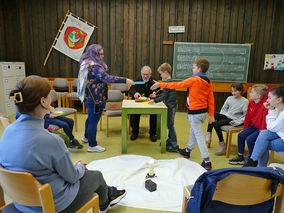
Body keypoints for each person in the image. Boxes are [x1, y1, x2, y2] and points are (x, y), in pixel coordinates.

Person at [0, 76, 126, 213]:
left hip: (21, 202)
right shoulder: (51, 140)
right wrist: (78, 167)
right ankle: (105, 202)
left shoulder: (7, 133)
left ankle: (109, 193)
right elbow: (72, 177)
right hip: (52, 205)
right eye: (49, 95)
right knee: (95, 175)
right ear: (43, 101)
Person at [151, 58, 215, 170]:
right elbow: (211, 99)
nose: (192, 69)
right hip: (203, 112)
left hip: (195, 113)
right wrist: (211, 114)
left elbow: (177, 85)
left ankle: (207, 161)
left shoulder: (194, 79)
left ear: (199, 68)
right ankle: (187, 150)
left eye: (194, 67)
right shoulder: (208, 81)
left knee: (199, 136)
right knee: (194, 131)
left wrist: (161, 84)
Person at [78, 44, 133, 152]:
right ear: (94, 54)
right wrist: (125, 80)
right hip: (95, 99)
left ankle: (86, 137)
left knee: (90, 118)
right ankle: (92, 145)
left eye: (103, 54)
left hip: (88, 96)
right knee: (94, 120)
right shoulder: (94, 66)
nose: (102, 56)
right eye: (100, 54)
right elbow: (106, 78)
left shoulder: (86, 63)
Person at [244, 85, 284, 167]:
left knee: (262, 144)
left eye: (269, 98)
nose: (267, 100)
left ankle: (256, 164)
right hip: (279, 133)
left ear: (279, 100)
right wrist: (272, 109)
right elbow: (271, 128)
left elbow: (271, 127)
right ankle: (253, 161)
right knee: (264, 134)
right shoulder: (278, 108)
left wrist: (270, 110)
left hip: (281, 136)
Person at [228, 84, 268, 165]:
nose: (249, 93)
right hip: (254, 126)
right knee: (241, 135)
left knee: (250, 139)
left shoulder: (265, 105)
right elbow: (247, 117)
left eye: (252, 92)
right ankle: (240, 157)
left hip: (262, 129)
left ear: (258, 96)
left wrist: (262, 133)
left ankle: (253, 159)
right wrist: (245, 128)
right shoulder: (251, 103)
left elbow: (264, 122)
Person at [205, 83, 249, 155]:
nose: (233, 93)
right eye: (232, 91)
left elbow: (245, 115)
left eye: (235, 91)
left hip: (234, 119)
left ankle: (222, 143)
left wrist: (237, 122)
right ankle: (208, 132)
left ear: (240, 91)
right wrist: (221, 116)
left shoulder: (245, 101)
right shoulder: (229, 98)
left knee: (216, 124)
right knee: (213, 114)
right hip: (226, 116)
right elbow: (223, 109)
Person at [149, 63, 178, 152]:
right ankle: (170, 140)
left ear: (166, 72)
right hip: (170, 105)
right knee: (169, 124)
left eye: (161, 74)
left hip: (171, 106)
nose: (160, 76)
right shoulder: (168, 82)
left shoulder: (168, 83)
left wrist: (154, 101)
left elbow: (164, 96)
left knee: (170, 125)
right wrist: (156, 95)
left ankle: (174, 144)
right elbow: (165, 94)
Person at [129, 65, 161, 142]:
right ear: (141, 73)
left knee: (154, 114)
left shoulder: (154, 81)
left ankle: (152, 134)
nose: (145, 76)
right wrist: (135, 93)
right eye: (144, 74)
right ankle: (135, 132)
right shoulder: (137, 80)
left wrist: (155, 93)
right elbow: (131, 90)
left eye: (147, 74)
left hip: (150, 102)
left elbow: (159, 90)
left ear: (150, 74)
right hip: (138, 102)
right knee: (135, 113)